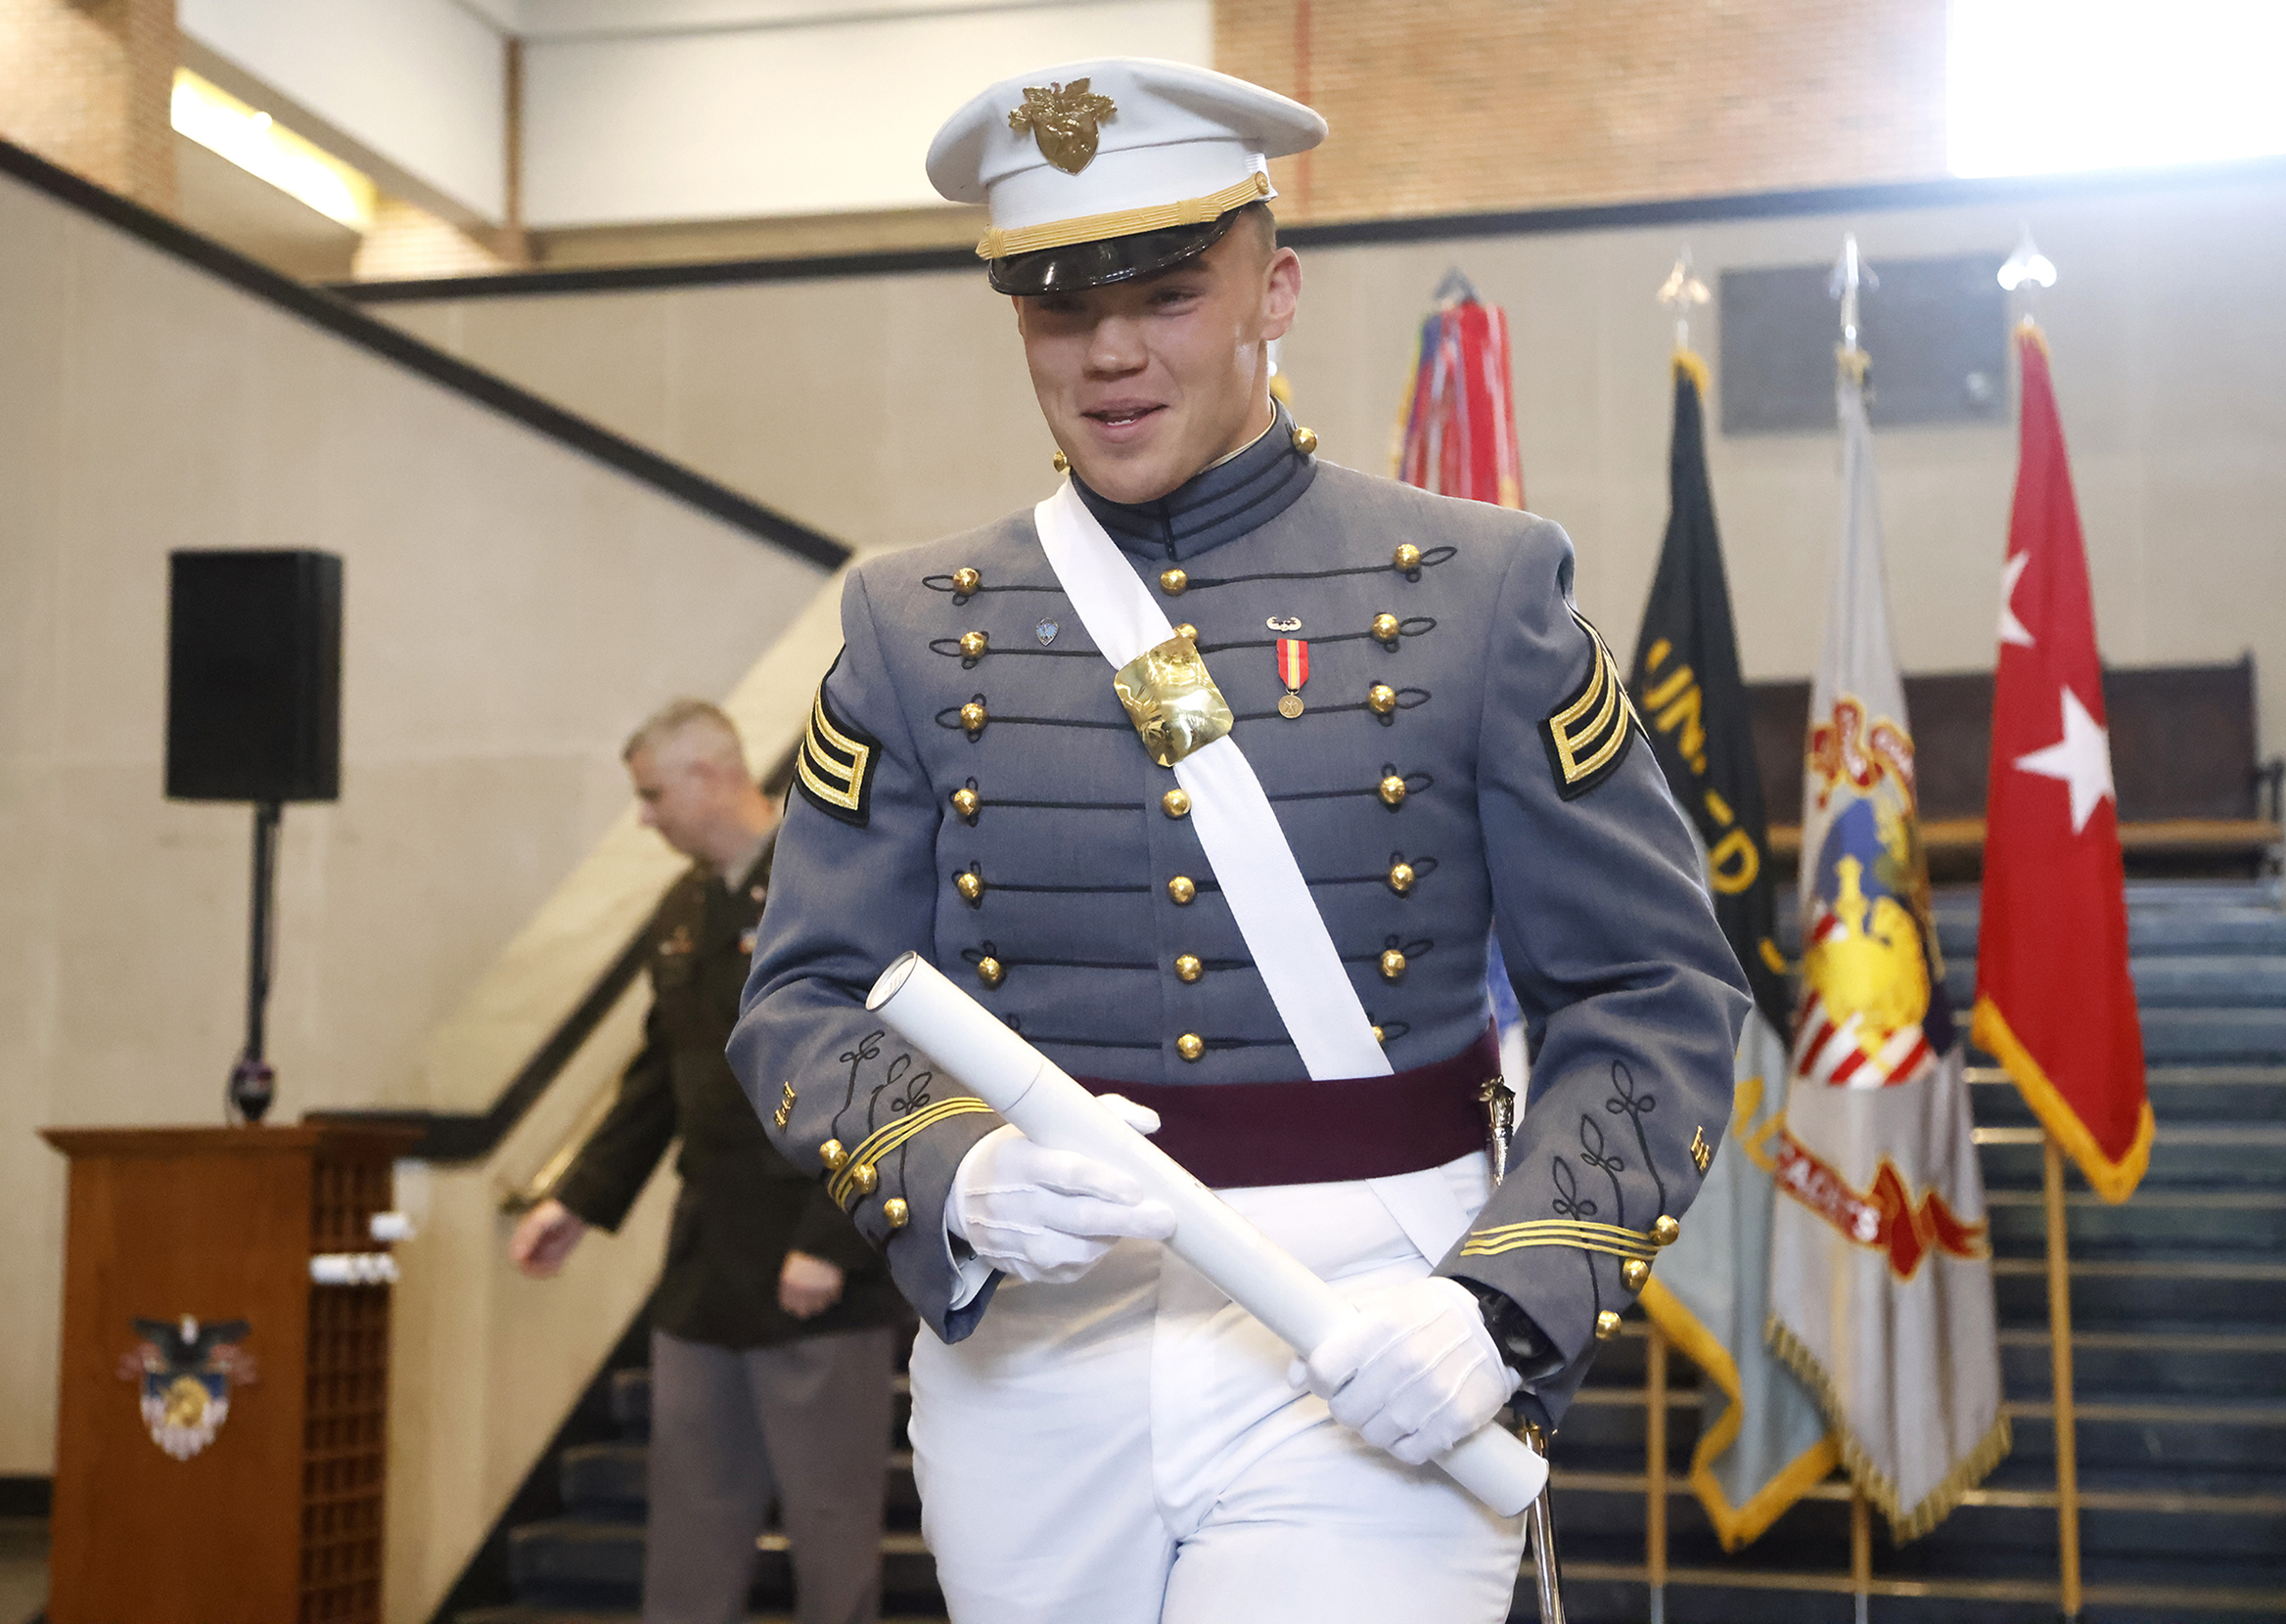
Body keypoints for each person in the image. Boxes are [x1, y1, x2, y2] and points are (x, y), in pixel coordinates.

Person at [730, 59, 1748, 1624]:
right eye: (1061, 308)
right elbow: (803, 998)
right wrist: (957, 1174)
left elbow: (1654, 995)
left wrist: (1504, 1304)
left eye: (1166, 292)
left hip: (1373, 1326)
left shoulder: (1481, 590)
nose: (1113, 352)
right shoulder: (907, 628)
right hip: (1031, 1356)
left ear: (1276, 290)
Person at [510, 699, 900, 1624]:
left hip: (813, 1267)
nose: (643, 818)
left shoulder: (830, 882)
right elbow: (658, 1074)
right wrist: (578, 1196)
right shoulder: (686, 906)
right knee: (691, 1521)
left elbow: (884, 1065)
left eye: (651, 796)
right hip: (705, 1263)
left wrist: (831, 1240)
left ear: (709, 776)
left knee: (831, 1525)